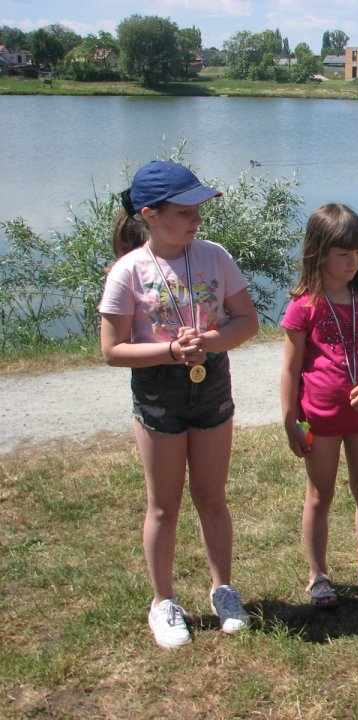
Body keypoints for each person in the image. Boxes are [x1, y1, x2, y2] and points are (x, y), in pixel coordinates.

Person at [99, 160, 260, 649]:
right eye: (185, 210)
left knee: (212, 498)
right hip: (158, 395)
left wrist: (209, 343)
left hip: (210, 387)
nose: (196, 219)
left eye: (198, 209)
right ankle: (163, 602)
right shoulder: (129, 271)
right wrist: (170, 351)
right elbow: (112, 349)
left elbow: (247, 321)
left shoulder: (214, 256)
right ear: (149, 214)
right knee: (164, 506)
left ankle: (223, 589)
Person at [280, 203, 358, 607]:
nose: (353, 262)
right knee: (320, 493)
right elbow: (291, 368)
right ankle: (318, 576)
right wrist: (290, 420)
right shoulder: (303, 305)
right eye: (343, 254)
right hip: (319, 417)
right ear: (319, 252)